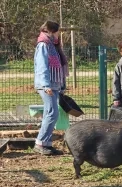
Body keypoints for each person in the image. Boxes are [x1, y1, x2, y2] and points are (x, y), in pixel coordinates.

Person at [33, 20, 68, 155]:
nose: (59, 34)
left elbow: (58, 66)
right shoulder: (43, 45)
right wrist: (46, 85)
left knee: (51, 113)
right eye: (58, 31)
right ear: (51, 31)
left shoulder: (52, 46)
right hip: (46, 85)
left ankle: (46, 143)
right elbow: (42, 66)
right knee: (53, 113)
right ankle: (41, 142)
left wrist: (61, 85)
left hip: (53, 85)